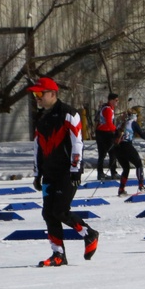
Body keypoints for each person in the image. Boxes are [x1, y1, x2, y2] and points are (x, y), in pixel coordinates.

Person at [29, 76, 100, 267]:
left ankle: (89, 233)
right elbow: (37, 146)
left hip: (67, 172)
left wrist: (76, 168)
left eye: (40, 94)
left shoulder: (69, 113)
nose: (37, 98)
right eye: (35, 94)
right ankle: (58, 254)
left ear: (52, 93)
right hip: (49, 173)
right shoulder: (41, 117)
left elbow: (77, 142)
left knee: (60, 211)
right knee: (48, 214)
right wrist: (37, 173)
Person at [113, 107, 145, 196]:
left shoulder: (120, 123)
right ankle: (141, 186)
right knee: (138, 164)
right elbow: (141, 133)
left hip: (117, 148)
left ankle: (121, 190)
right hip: (126, 146)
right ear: (134, 116)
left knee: (126, 168)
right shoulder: (133, 123)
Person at [95, 92, 120, 180]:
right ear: (111, 100)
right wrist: (116, 130)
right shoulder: (108, 109)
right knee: (112, 152)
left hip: (100, 132)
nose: (117, 102)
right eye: (116, 100)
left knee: (102, 154)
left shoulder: (105, 107)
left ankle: (100, 173)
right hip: (106, 133)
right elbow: (109, 122)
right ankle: (113, 172)